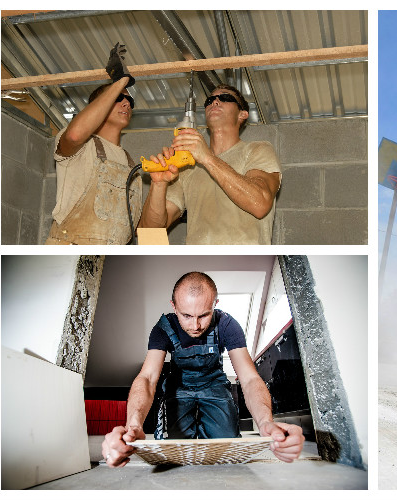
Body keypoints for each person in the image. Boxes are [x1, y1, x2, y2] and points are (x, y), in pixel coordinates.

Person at [101, 272, 304, 466]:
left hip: (214, 385)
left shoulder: (227, 325)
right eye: (187, 315)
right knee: (173, 452)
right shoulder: (163, 328)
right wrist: (134, 425)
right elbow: (147, 378)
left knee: (227, 450)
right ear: (174, 306)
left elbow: (250, 378)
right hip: (178, 388)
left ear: (214, 305)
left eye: (204, 315)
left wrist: (265, 423)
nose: (196, 325)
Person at [138, 84, 281, 244]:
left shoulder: (257, 149)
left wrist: (207, 158)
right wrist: (159, 184)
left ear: (243, 114)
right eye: (210, 100)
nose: (215, 102)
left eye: (225, 97)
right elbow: (149, 235)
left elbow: (260, 204)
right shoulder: (186, 167)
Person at [46, 43, 141, 245]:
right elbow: (74, 136)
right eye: (119, 98)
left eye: (129, 101)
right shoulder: (83, 146)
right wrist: (120, 80)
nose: (127, 103)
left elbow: (140, 228)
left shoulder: (134, 167)